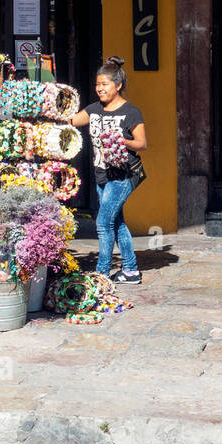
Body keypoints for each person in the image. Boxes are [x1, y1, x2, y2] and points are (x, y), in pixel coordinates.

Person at [72, 56, 147, 284]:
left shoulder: (130, 112)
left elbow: (141, 143)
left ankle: (102, 272)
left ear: (118, 85)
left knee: (103, 223)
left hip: (123, 176)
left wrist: (119, 140)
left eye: (104, 84)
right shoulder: (94, 109)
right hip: (101, 175)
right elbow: (73, 121)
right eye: (97, 84)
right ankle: (131, 270)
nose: (99, 89)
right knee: (116, 222)